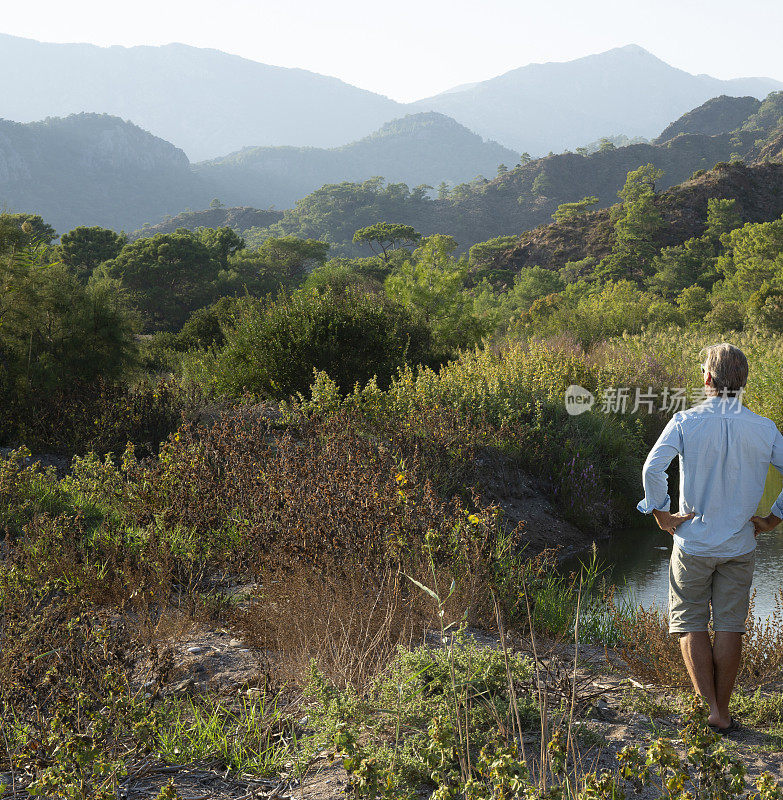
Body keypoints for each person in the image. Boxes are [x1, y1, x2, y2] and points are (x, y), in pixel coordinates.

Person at [637, 342, 783, 733]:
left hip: (693, 543)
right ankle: (726, 709)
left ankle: (713, 711)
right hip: (740, 544)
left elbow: (653, 467)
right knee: (731, 626)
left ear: (707, 378)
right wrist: (773, 518)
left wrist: (662, 513)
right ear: (744, 381)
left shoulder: (686, 421)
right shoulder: (765, 428)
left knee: (690, 623)